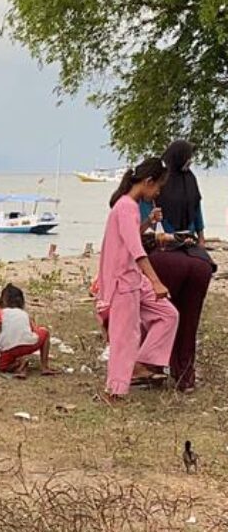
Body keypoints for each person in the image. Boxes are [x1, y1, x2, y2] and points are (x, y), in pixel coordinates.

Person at [95, 158, 179, 402]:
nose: (157, 193)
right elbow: (136, 250)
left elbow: (130, 237)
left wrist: (148, 223)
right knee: (125, 337)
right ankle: (116, 390)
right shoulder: (125, 206)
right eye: (158, 188)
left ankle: (143, 362)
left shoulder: (128, 207)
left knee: (168, 314)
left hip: (133, 278)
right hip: (123, 281)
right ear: (148, 182)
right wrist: (156, 282)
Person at [0, 283, 56, 379]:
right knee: (45, 333)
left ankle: (19, 364)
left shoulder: (0, 313)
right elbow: (33, 330)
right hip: (28, 346)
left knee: (3, 367)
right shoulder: (24, 314)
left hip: (9, 349)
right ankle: (44, 367)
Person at [155, 140, 205, 246]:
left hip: (190, 239)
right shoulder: (162, 180)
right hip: (166, 239)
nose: (190, 160)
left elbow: (197, 209)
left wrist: (201, 238)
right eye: (188, 157)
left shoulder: (190, 178)